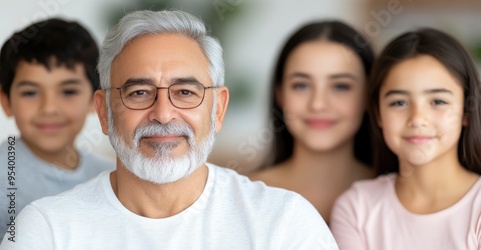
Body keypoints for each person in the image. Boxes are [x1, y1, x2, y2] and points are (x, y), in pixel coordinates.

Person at [0, 10, 338, 249]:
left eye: (186, 92)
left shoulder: (284, 223)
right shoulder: (46, 229)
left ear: (217, 108)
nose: (162, 114)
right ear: (104, 112)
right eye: (139, 93)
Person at [330, 28, 481, 249]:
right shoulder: (356, 207)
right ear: (378, 113)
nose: (417, 119)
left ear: (467, 111)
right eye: (399, 103)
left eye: (438, 101)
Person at [249, 20, 375, 223]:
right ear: (280, 93)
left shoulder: (399, 194)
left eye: (341, 86)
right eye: (301, 86)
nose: (318, 104)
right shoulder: (244, 197)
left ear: (369, 96)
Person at [0, 18, 114, 236]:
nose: (49, 108)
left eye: (68, 91)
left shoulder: (112, 177)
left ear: (95, 101)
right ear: (6, 101)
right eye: (30, 93)